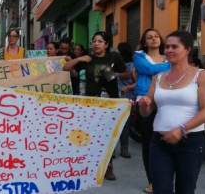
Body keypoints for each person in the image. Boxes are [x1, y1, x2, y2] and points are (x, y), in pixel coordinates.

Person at [138, 31, 205, 194]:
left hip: (191, 142)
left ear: (187, 49)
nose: (169, 50)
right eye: (167, 47)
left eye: (175, 46)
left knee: (185, 190)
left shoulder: (201, 76)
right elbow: (146, 112)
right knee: (160, 189)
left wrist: (181, 129)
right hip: (159, 141)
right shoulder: (158, 78)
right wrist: (144, 104)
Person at [64, 31, 128, 180]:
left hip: (110, 101)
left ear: (106, 44)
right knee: (91, 134)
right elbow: (66, 67)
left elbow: (127, 74)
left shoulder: (114, 57)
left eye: (100, 41)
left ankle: (108, 166)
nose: (96, 44)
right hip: (91, 102)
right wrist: (80, 58)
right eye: (94, 41)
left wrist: (113, 74)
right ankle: (91, 166)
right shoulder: (88, 59)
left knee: (108, 134)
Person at [133, 28, 170, 194]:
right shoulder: (139, 56)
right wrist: (168, 66)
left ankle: (165, 178)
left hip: (166, 100)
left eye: (156, 36)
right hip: (145, 101)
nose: (154, 39)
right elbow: (147, 70)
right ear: (144, 42)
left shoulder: (168, 55)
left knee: (165, 141)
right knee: (149, 142)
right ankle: (152, 181)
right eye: (149, 37)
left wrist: (168, 65)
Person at [116, 42, 136, 159]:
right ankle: (118, 150)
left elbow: (136, 81)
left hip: (126, 96)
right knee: (121, 124)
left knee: (123, 124)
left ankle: (124, 148)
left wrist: (127, 87)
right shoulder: (117, 63)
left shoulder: (132, 66)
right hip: (118, 96)